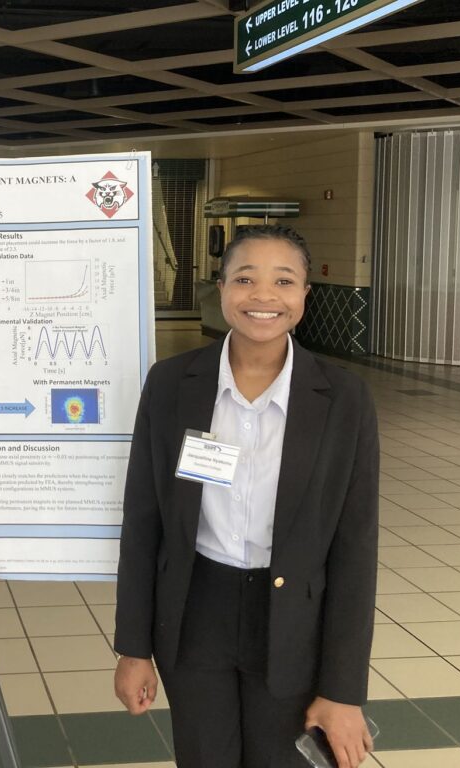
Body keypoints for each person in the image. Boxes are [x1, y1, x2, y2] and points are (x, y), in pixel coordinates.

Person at [113, 225, 378, 768]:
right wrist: (133, 646)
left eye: (284, 280)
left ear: (306, 294)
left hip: (295, 624)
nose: (263, 296)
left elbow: (356, 548)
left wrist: (343, 688)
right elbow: (143, 522)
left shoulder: (343, 398)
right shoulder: (170, 384)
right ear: (222, 287)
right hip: (194, 615)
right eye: (245, 279)